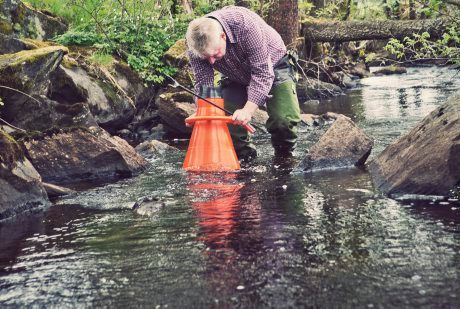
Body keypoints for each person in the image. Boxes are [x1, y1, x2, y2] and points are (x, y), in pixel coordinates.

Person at [185, 5, 301, 161]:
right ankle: (246, 162)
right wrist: (203, 113)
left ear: (222, 36)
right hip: (234, 75)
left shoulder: (245, 26)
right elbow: (203, 82)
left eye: (215, 54)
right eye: (207, 58)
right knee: (229, 125)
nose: (211, 61)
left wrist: (247, 110)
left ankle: (285, 159)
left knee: (283, 122)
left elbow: (263, 73)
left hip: (273, 65)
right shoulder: (195, 43)